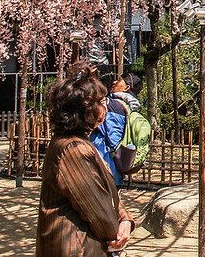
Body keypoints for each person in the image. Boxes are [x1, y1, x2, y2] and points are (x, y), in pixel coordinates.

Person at [36, 60, 134, 256]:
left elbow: (105, 192)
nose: (105, 106)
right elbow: (96, 207)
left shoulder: (80, 141)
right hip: (76, 247)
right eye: (100, 102)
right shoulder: (73, 149)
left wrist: (125, 219)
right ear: (84, 109)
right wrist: (115, 232)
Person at [91, 72, 144, 187]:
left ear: (127, 87)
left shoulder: (113, 105)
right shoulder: (130, 108)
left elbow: (112, 136)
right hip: (116, 168)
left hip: (104, 165)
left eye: (119, 80)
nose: (114, 82)